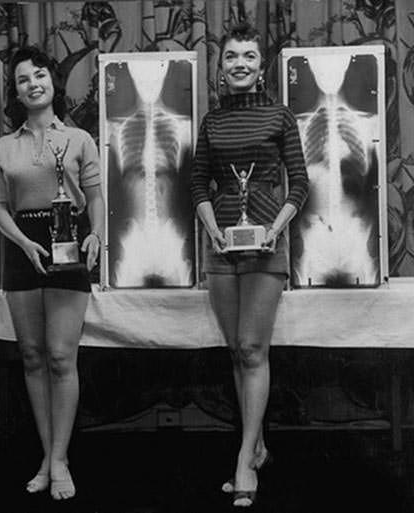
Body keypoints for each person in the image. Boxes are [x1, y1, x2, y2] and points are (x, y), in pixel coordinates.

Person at [191, 22, 309, 508]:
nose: (240, 63)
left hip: (267, 247)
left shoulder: (280, 116)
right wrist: (213, 230)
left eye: (249, 57)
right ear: (221, 68)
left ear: (262, 68)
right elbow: (198, 185)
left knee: (252, 347)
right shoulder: (211, 122)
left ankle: (243, 459)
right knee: (237, 353)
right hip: (221, 248)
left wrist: (277, 228)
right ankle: (256, 444)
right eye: (232, 57)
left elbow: (299, 183)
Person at [0, 46, 104, 500]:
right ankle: (48, 454)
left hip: (70, 243)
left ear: (53, 83)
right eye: (22, 79)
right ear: (15, 91)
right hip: (24, 247)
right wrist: (21, 242)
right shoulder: (2, 146)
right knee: (32, 358)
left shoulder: (79, 140)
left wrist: (97, 234)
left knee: (60, 358)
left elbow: (95, 197)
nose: (33, 84)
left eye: (39, 75)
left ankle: (58, 460)